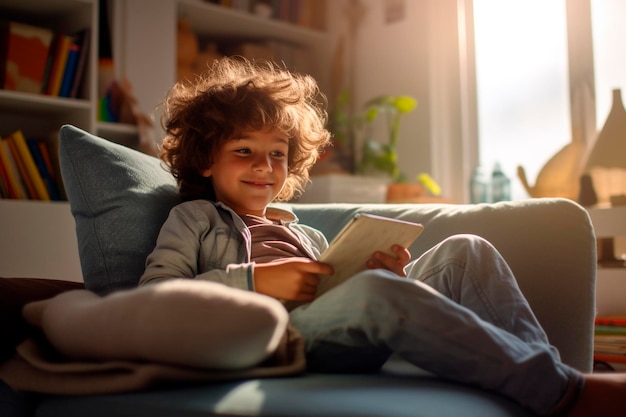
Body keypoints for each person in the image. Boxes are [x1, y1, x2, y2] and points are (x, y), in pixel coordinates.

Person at [139, 56, 626, 417]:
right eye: (245, 150)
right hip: (279, 340)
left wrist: (377, 271)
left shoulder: (301, 231)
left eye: (278, 154)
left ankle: (557, 377)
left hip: (339, 319)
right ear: (207, 158)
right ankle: (564, 394)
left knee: (466, 250)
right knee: (374, 293)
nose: (265, 167)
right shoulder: (196, 219)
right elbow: (153, 299)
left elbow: (344, 293)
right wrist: (257, 282)